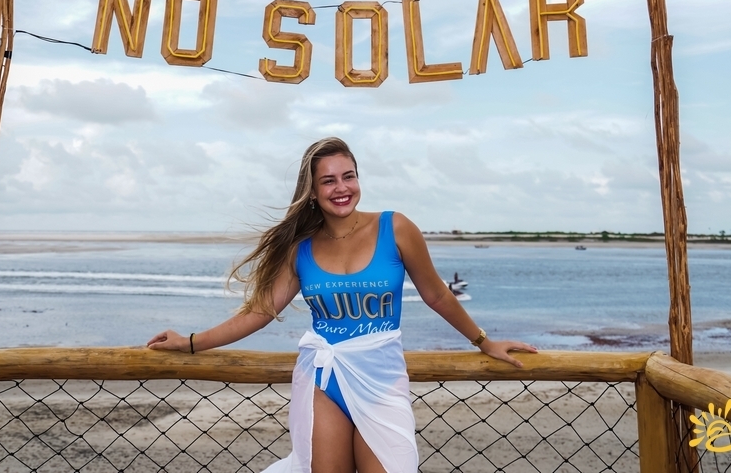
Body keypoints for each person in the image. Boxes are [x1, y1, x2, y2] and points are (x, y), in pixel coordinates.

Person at [148, 137, 537, 473]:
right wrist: (190, 342)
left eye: (348, 176)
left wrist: (484, 341)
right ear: (312, 191)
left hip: (382, 379)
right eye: (328, 180)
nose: (341, 188)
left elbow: (436, 294)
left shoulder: (395, 228)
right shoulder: (301, 247)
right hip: (323, 379)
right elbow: (260, 312)